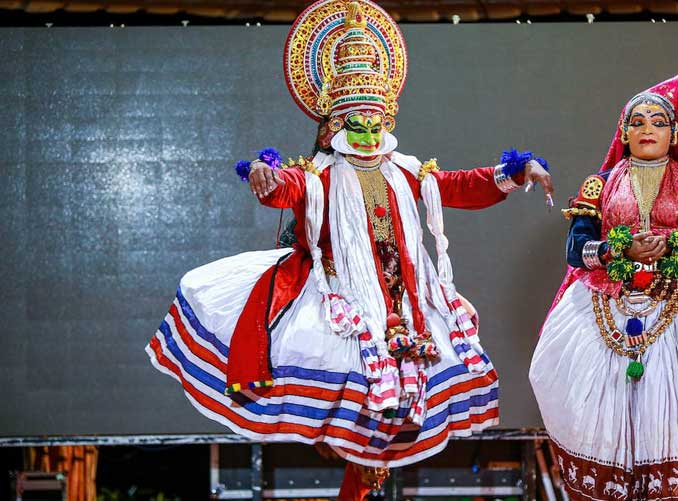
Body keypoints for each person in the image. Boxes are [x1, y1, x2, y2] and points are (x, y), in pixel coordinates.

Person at [145, 0, 553, 498]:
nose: (366, 131)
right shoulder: (318, 174)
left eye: (374, 121)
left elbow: (460, 186)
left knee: (390, 425)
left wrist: (515, 171)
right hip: (341, 303)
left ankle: (359, 483)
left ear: (388, 120)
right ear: (335, 125)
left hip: (405, 305)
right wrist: (265, 177)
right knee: (354, 421)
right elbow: (285, 189)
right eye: (355, 123)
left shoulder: (406, 171)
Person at [529, 76, 678, 500]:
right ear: (624, 133)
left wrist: (674, 245)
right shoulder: (599, 184)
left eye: (658, 121)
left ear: (674, 134)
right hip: (606, 302)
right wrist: (619, 249)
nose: (647, 129)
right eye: (637, 122)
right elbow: (576, 248)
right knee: (586, 404)